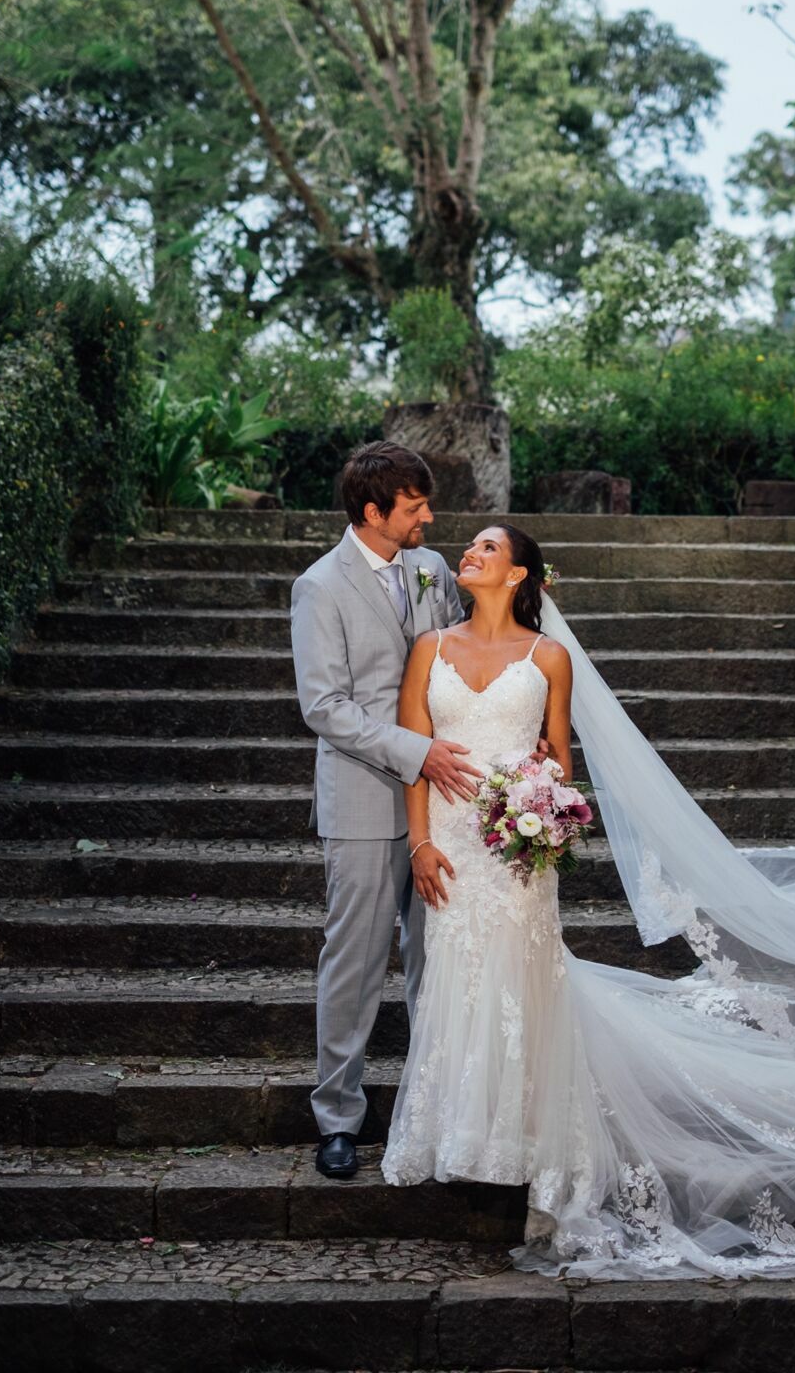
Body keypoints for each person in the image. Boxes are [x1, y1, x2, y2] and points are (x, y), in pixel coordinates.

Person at [381, 523, 795, 1280]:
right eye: (469, 546)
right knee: (459, 976)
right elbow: (412, 750)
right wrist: (420, 844)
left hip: (517, 845)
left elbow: (561, 757)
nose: (469, 552)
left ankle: (524, 1135)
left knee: (521, 982)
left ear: (519, 572)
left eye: (486, 548)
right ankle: (464, 1133)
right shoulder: (430, 649)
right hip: (455, 847)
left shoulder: (549, 657)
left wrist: (542, 795)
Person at [290, 441, 470, 1180]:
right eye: (415, 506)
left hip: (445, 801)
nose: (429, 516)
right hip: (363, 800)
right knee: (355, 965)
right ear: (373, 512)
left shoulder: (431, 572)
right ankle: (338, 1118)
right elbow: (324, 707)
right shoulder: (319, 586)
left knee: (441, 959)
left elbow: (461, 658)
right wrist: (413, 751)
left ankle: (438, 1113)